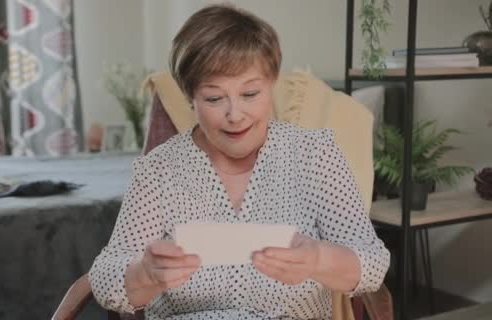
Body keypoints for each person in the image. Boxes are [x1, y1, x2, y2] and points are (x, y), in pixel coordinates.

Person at [88, 4, 390, 319]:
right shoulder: (159, 169)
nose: (235, 115)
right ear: (190, 97)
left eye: (250, 94)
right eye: (214, 98)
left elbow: (371, 264)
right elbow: (105, 277)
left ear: (271, 84)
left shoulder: (314, 155)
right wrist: (145, 274)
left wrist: (318, 259)